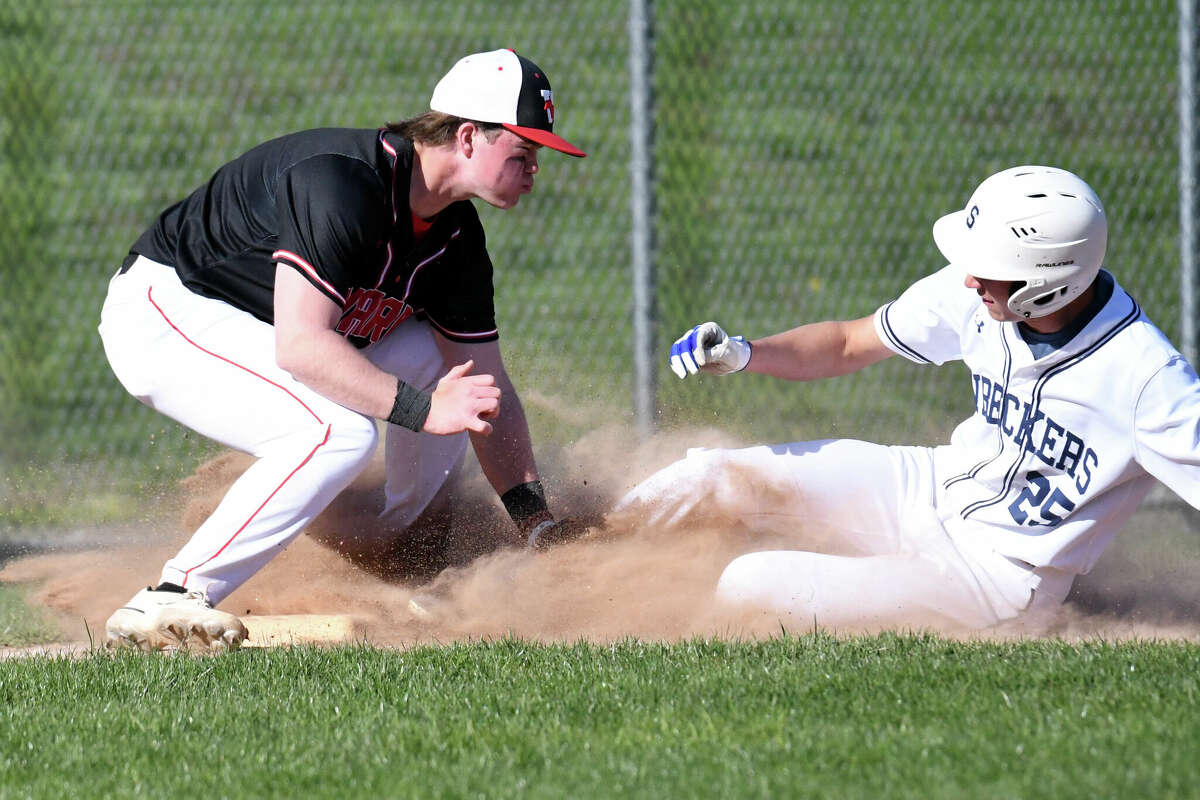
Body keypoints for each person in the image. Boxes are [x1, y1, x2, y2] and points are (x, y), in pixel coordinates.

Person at [100, 49, 586, 651]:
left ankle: (396, 553)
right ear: (467, 136)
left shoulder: (458, 239)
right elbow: (302, 346)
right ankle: (173, 593)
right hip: (169, 310)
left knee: (448, 369)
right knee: (339, 432)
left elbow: (488, 389)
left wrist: (537, 523)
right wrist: (423, 411)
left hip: (263, 330)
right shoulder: (341, 183)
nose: (535, 166)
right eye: (524, 149)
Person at [614, 166, 1200, 632]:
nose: (969, 279)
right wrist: (745, 352)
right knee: (712, 477)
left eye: (987, 269)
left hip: (993, 578)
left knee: (750, 584)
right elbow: (847, 343)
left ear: (1047, 281)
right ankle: (564, 556)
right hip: (927, 485)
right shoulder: (981, 295)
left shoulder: (1147, 382)